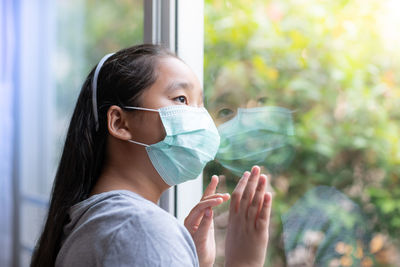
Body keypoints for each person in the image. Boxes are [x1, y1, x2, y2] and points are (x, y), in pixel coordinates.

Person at [30, 44, 272, 267]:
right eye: (181, 99)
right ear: (119, 123)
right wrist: (244, 262)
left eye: (200, 104)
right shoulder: (139, 227)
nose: (201, 118)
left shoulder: (93, 219)